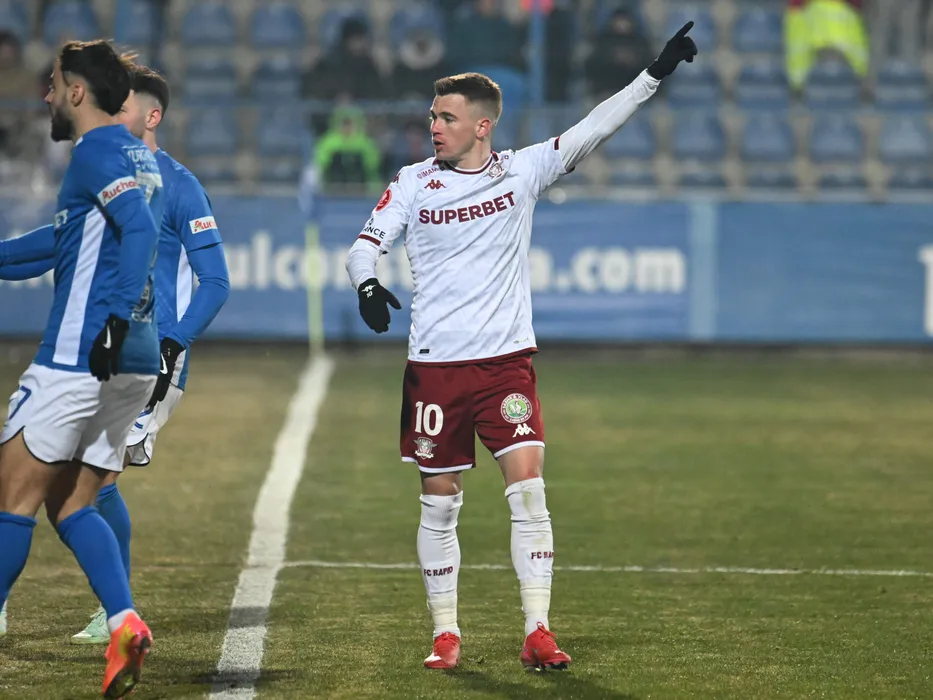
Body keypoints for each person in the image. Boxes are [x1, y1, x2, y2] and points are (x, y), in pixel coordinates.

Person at [345, 23, 697, 672]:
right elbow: (364, 245)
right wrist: (367, 283)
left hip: (506, 365)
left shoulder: (520, 172)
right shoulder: (413, 181)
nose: (434, 126)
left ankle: (537, 629)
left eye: (447, 118)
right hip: (435, 370)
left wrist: (653, 75)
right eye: (433, 116)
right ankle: (445, 633)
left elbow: (593, 128)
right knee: (439, 504)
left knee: (529, 491)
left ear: (482, 126)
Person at [0, 62, 231, 647]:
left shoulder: (171, 181)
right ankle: (118, 613)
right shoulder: (118, 168)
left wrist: (172, 343)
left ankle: (112, 610)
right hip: (115, 347)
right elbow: (58, 243)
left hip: (131, 347)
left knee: (69, 484)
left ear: (150, 116)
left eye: (123, 106)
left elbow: (215, 280)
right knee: (82, 485)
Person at [0, 40, 163, 698]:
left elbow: (140, 230)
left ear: (76, 91)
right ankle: (123, 621)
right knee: (71, 502)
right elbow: (67, 240)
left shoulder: (95, 150)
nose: (45, 95)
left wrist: (114, 317)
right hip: (130, 363)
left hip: (80, 353)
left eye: (53, 84)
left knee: (11, 498)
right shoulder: (133, 153)